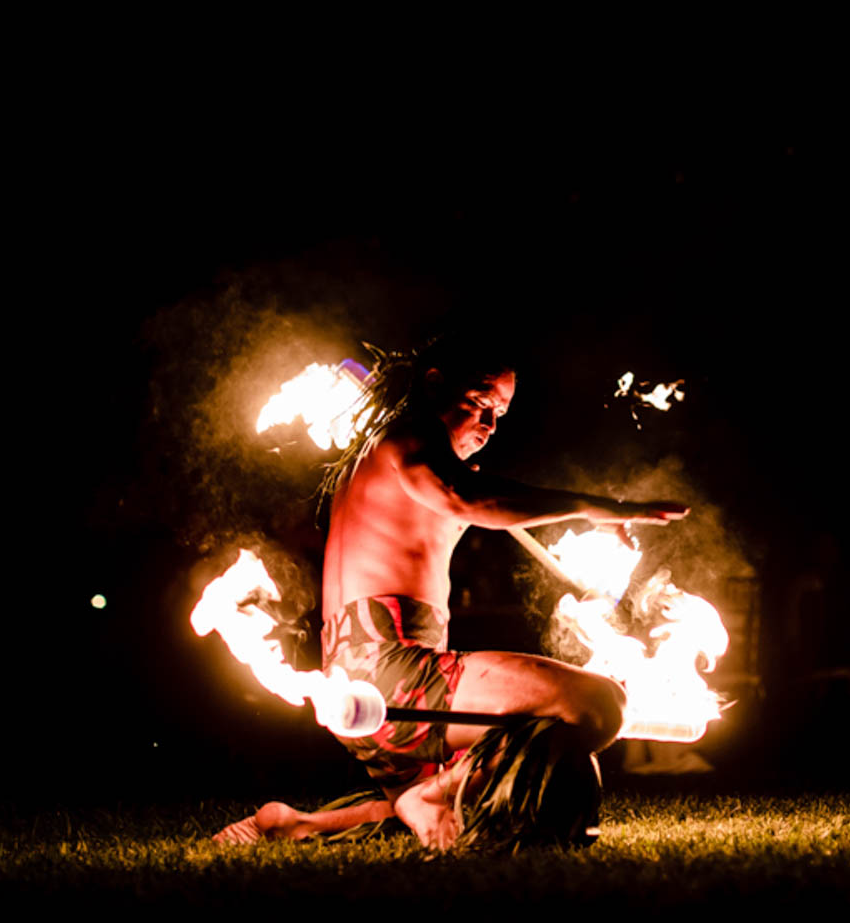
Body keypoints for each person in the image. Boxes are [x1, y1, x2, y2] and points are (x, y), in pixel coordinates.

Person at [215, 338, 688, 848]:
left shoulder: (401, 458)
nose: (489, 424)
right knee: (601, 704)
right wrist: (595, 507)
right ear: (435, 385)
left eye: (499, 413)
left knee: (503, 783)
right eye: (480, 402)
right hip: (393, 673)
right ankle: (431, 795)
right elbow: (465, 499)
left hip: (364, 689)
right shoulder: (409, 439)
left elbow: (466, 496)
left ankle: (294, 823)